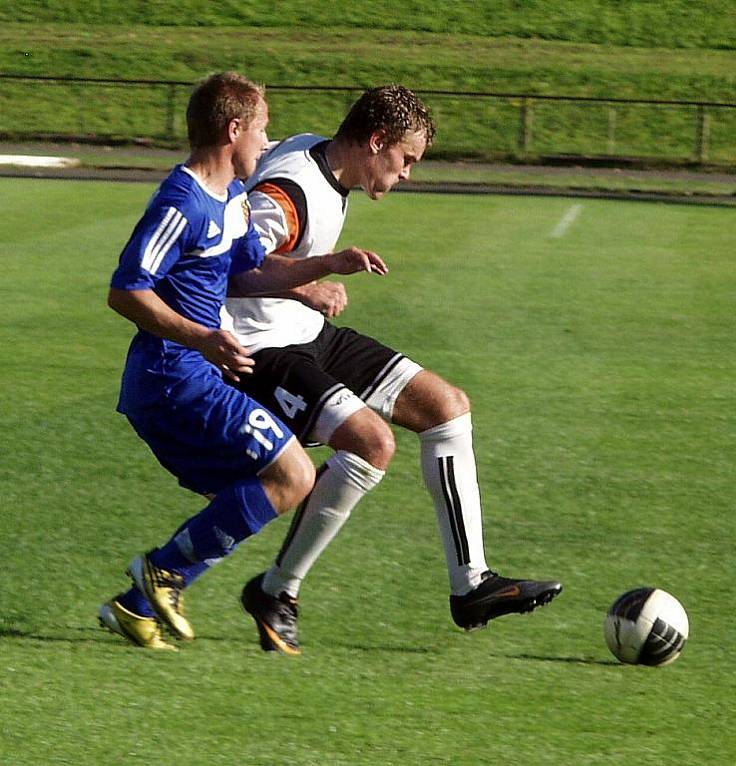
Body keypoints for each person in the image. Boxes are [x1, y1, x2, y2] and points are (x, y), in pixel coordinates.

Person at [224, 84, 563, 656]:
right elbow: (235, 265)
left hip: (307, 335)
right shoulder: (294, 193)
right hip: (262, 349)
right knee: (371, 445)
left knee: (446, 408)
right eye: (406, 159)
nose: (407, 174)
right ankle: (277, 591)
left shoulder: (319, 158)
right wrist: (314, 281)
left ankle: (472, 586)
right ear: (376, 140)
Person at [98, 72, 387, 650]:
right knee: (293, 474)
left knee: (264, 488)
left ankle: (135, 606)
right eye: (262, 128)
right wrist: (200, 337)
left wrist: (322, 268)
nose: (268, 139)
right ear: (233, 130)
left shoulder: (232, 198)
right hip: (170, 376)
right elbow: (127, 290)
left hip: (196, 372)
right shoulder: (182, 202)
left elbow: (250, 272)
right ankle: (162, 574)